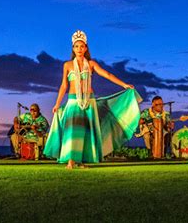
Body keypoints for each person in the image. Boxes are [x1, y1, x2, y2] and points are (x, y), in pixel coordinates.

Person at [43, 30, 142, 169]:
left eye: (82, 46)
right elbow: (64, 85)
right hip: (73, 101)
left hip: (90, 102)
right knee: (72, 131)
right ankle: (71, 161)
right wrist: (57, 103)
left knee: (86, 132)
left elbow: (107, 74)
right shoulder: (67, 65)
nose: (79, 49)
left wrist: (124, 84)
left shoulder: (91, 64)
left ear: (86, 48)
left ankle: (81, 160)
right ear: (73, 48)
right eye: (76, 46)